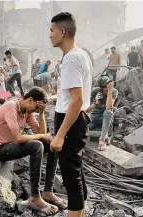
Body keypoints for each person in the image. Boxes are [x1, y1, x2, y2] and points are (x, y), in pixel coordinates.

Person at [0, 87, 66, 215]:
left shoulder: (26, 112)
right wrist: (41, 136)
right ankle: (35, 196)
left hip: (11, 145)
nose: (35, 111)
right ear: (30, 100)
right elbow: (19, 138)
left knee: (53, 145)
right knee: (36, 146)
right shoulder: (11, 106)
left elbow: (40, 132)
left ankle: (48, 191)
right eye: (36, 108)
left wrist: (41, 114)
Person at [49, 12, 92, 217]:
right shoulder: (79, 54)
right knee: (76, 171)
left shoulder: (72, 58)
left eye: (52, 30)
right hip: (75, 119)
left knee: (70, 176)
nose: (50, 35)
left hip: (70, 121)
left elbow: (77, 100)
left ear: (62, 32)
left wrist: (59, 134)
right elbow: (73, 96)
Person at [86, 76, 117, 151]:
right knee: (79, 130)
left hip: (105, 119)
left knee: (108, 112)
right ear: (101, 88)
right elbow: (85, 110)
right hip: (94, 117)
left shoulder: (113, 91)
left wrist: (109, 91)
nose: (107, 90)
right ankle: (103, 134)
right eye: (105, 89)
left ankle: (102, 140)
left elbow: (109, 107)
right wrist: (95, 103)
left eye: (109, 88)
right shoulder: (95, 91)